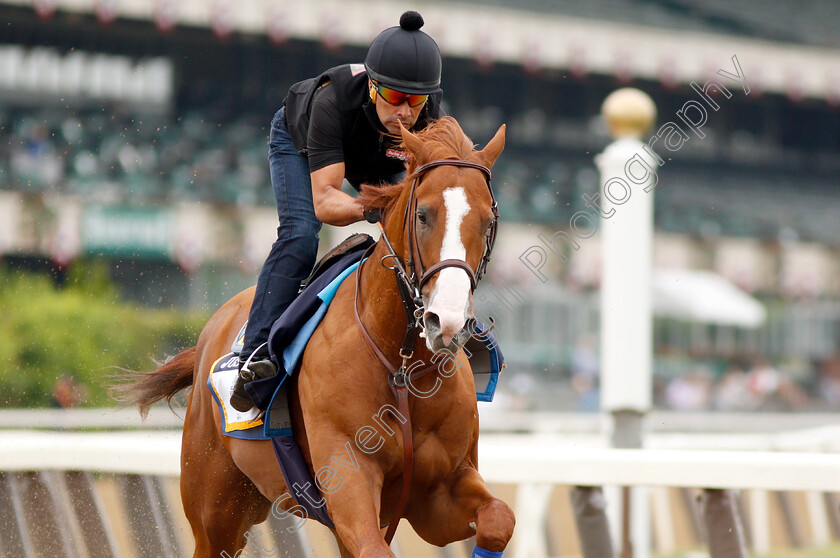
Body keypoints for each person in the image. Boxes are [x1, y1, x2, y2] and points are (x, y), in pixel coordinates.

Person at [231, 11, 445, 412]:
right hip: (304, 141)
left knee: (420, 229)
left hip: (378, 153)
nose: (405, 112)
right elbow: (326, 201)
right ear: (372, 87)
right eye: (395, 98)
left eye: (415, 101)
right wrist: (376, 207)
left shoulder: (428, 110)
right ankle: (255, 354)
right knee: (300, 235)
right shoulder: (333, 101)